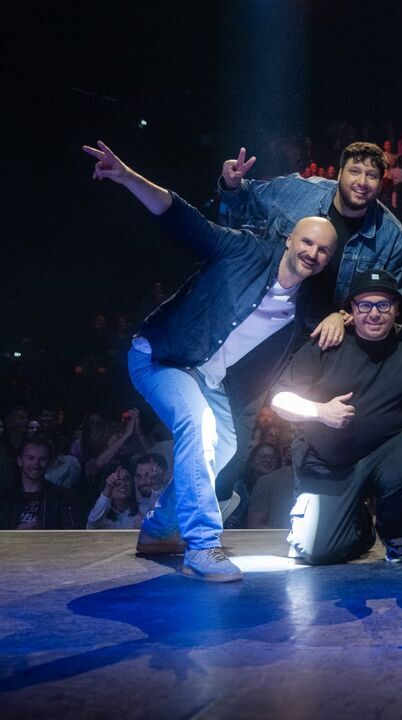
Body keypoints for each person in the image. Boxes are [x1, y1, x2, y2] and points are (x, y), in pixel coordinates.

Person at [83, 140, 338, 581]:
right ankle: (202, 546)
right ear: (289, 239)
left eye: (323, 251)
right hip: (162, 358)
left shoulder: (305, 304)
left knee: (224, 448)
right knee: (198, 428)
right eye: (307, 242)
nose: (312, 253)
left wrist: (340, 315)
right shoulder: (244, 251)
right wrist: (126, 176)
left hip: (207, 378)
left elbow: (338, 314)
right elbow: (182, 218)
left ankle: (158, 530)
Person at [271, 270, 402, 565]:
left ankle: (395, 532)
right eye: (365, 305)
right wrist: (320, 411)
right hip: (328, 460)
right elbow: (279, 400)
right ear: (351, 310)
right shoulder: (326, 342)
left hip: (388, 450)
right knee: (315, 551)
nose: (374, 314)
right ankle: (359, 524)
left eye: (383, 305)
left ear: (396, 309)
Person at [218, 142, 402, 317]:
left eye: (372, 175)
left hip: (323, 332)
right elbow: (244, 200)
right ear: (340, 174)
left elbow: (386, 306)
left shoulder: (393, 238)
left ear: (380, 183)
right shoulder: (297, 191)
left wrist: (345, 319)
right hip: (257, 306)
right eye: (355, 171)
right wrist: (232, 182)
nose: (362, 182)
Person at [2, 437, 77, 530]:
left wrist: (42, 532)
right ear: (20, 461)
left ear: (49, 462)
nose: (36, 464)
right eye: (30, 458)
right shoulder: (5, 498)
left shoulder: (62, 497)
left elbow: (70, 532)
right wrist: (16, 533)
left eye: (42, 459)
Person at [86, 462, 141, 530]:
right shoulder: (102, 514)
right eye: (117, 480)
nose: (123, 484)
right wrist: (108, 489)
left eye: (127, 479)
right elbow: (92, 523)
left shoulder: (142, 510)